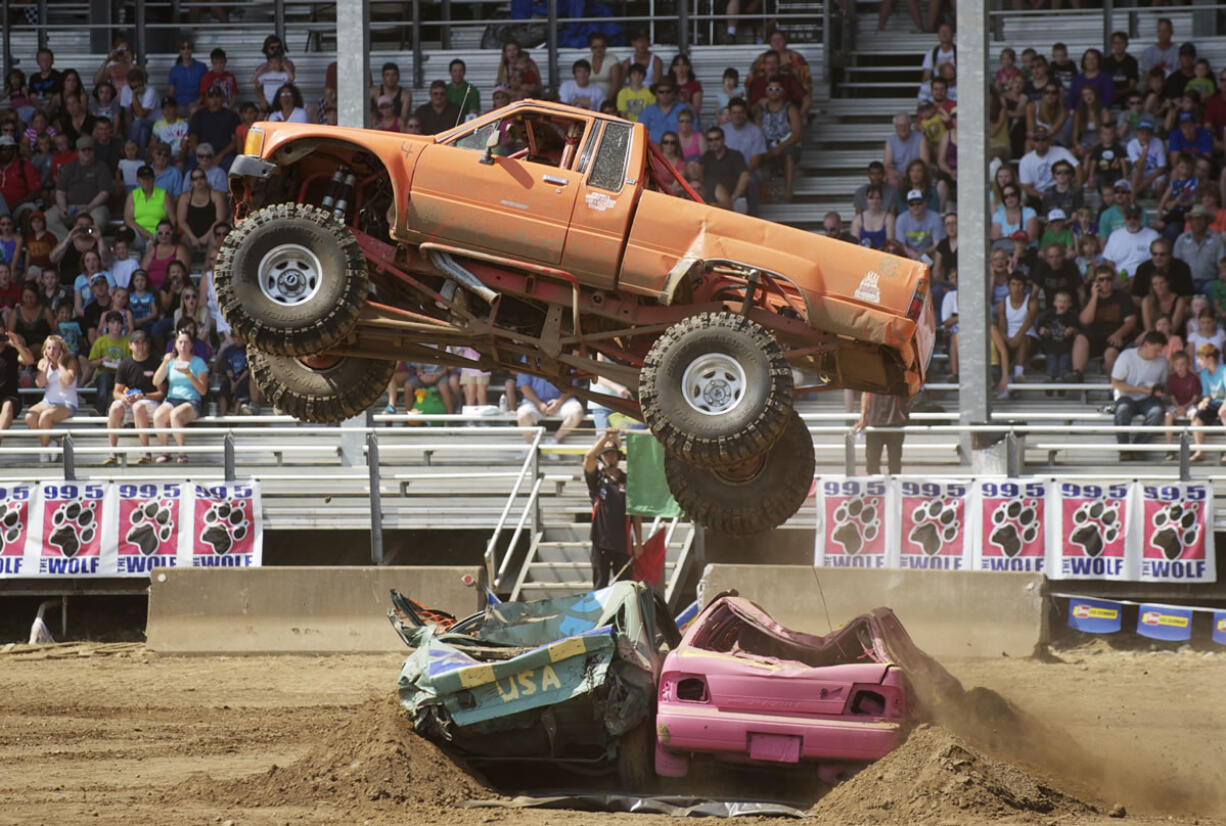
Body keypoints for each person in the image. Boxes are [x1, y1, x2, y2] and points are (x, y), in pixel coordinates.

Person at [583, 429, 641, 590]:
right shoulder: (596, 479)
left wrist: (639, 542)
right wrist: (605, 438)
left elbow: (635, 513)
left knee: (624, 587)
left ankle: (622, 616)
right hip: (600, 541)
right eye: (606, 454)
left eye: (612, 454)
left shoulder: (628, 480)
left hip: (623, 542)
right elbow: (588, 457)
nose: (609, 457)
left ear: (618, 456)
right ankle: (600, 616)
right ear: (601, 457)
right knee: (600, 585)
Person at [1110, 329, 1169, 460]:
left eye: (1160, 350)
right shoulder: (1126, 356)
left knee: (1157, 412)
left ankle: (1138, 447)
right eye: (1156, 350)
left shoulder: (1162, 361)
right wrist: (1140, 390)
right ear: (1146, 344)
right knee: (1122, 410)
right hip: (1126, 396)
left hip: (1149, 398)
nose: (1158, 354)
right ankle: (1124, 449)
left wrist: (1158, 391)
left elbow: (1163, 383)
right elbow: (1115, 383)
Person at [152, 329, 207, 463]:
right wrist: (165, 363)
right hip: (172, 399)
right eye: (180, 342)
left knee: (175, 415)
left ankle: (182, 453)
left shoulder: (199, 363)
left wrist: (188, 373)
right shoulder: (171, 362)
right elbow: (156, 381)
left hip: (191, 400)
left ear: (191, 345)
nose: (183, 346)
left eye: (186, 343)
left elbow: (203, 390)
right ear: (175, 345)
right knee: (158, 415)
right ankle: (165, 452)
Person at [25, 334, 78, 461]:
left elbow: (67, 382)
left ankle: (44, 449)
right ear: (45, 350)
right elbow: (40, 384)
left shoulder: (70, 361)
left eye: (55, 348)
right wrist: (46, 367)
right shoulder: (43, 363)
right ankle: (49, 443)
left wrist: (59, 364)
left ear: (61, 350)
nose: (51, 351)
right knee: (30, 416)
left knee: (45, 416)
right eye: (49, 348)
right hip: (47, 402)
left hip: (67, 403)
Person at [1081, 264, 1139, 377]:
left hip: (1114, 337)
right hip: (1095, 337)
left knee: (1110, 353)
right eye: (1101, 280)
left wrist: (1119, 334)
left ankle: (1113, 387)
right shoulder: (1089, 299)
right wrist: (1094, 297)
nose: (1105, 282)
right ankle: (1077, 375)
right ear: (1095, 282)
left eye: (1108, 279)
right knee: (1080, 339)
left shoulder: (1123, 297)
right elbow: (1085, 321)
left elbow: (1131, 321)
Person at [755, 75, 803, 202]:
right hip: (766, 145)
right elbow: (757, 130)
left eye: (777, 89)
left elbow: (797, 134)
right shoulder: (761, 110)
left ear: (782, 92)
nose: (773, 92)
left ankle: (788, 191)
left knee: (789, 153)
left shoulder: (790, 109)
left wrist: (779, 147)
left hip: (786, 144)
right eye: (770, 89)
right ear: (766, 91)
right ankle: (765, 194)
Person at [516, 372, 584, 450]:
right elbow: (524, 386)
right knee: (523, 415)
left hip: (562, 400)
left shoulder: (566, 359)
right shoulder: (528, 359)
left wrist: (559, 402)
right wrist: (540, 404)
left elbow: (571, 386)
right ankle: (529, 445)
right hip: (534, 401)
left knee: (576, 412)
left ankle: (553, 441)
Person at [688, 127, 749, 211]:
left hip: (735, 199)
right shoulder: (707, 156)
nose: (714, 142)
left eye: (717, 139)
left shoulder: (735, 155)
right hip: (713, 201)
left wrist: (734, 197)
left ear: (723, 139)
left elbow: (745, 176)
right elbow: (698, 176)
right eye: (710, 140)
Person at [1174, 204, 1225, 293]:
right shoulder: (1181, 239)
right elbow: (1176, 263)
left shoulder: (1217, 239)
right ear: (1190, 221)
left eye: (1201, 218)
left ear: (1207, 221)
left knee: (1211, 288)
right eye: (1194, 219)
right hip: (1188, 282)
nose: (1197, 222)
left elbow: (1222, 264)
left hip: (1211, 281)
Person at [1019, 126, 1078, 202]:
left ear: (1049, 140)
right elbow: (1026, 187)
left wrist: (1077, 189)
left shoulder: (1061, 151)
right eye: (1036, 139)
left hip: (1063, 193)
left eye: (1044, 139)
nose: (1040, 142)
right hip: (1038, 198)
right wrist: (1042, 196)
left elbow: (1077, 167)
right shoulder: (1025, 160)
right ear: (1032, 142)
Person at [176, 166, 226, 254]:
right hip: (190, 233)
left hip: (211, 232)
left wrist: (206, 237)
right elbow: (181, 221)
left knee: (216, 241)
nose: (198, 181)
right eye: (195, 179)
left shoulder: (216, 195)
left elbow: (220, 219)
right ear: (191, 182)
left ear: (206, 179)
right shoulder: (185, 197)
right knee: (183, 243)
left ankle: (209, 266)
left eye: (201, 177)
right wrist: (192, 237)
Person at [855, 392, 907, 475]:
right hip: (875, 422)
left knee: (894, 465)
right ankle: (874, 486)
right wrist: (863, 416)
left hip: (895, 422)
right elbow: (865, 392)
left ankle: (894, 486)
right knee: (872, 464)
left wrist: (903, 412)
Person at [187, 88, 241, 170]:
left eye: (218, 97)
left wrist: (220, 156)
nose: (215, 100)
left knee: (233, 169)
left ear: (223, 99)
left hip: (224, 155)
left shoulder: (232, 116)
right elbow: (192, 138)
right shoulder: (199, 115)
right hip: (202, 153)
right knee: (189, 168)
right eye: (211, 97)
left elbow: (234, 141)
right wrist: (202, 155)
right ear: (206, 99)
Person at [1102, 204, 1160, 278]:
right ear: (1124, 218)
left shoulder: (1153, 235)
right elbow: (1108, 261)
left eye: (1135, 217)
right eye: (1128, 217)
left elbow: (1156, 262)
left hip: (1143, 277)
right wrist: (1116, 277)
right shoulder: (1114, 235)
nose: (1132, 221)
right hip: (1118, 278)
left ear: (1141, 218)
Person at [123, 165, 172, 250]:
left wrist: (163, 233)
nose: (146, 181)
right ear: (138, 180)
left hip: (158, 233)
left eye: (148, 178)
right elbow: (128, 220)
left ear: (153, 179)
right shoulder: (133, 195)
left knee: (153, 243)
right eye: (143, 178)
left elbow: (172, 218)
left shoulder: (164, 194)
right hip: (138, 233)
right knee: (123, 232)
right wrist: (146, 233)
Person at [87, 310, 129, 410]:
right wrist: (102, 360)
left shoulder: (127, 341)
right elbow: (90, 364)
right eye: (112, 323)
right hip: (104, 374)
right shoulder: (100, 341)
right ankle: (99, 410)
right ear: (106, 325)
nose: (116, 326)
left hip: (122, 376)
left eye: (119, 323)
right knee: (104, 378)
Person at [0, 321, 33, 439]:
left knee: (8, 405)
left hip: (11, 400)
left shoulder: (13, 352)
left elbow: (29, 361)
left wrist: (17, 345)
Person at [896, 188, 944, 261]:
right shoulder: (901, 219)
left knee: (939, 254)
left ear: (925, 203)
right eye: (911, 204)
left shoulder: (935, 217)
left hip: (930, 254)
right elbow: (901, 245)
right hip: (908, 255)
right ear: (907, 205)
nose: (915, 206)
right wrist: (912, 254)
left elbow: (937, 244)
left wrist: (923, 253)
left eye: (919, 203)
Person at [884, 112, 929, 190]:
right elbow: (886, 165)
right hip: (899, 176)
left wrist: (913, 174)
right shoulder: (891, 140)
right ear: (895, 127)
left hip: (916, 174)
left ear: (910, 125)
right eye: (900, 126)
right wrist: (897, 174)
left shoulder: (920, 138)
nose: (903, 128)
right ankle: (896, 202)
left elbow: (925, 162)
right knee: (891, 179)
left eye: (906, 125)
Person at [638, 77, 690, 144]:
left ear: (674, 93)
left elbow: (693, 133)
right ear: (656, 94)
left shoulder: (684, 109)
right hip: (653, 150)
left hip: (679, 149)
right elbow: (639, 133)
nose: (665, 94)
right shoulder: (647, 111)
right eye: (661, 92)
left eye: (668, 91)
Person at [850, 186, 894, 251]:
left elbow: (890, 242)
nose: (874, 201)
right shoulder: (858, 219)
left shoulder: (889, 218)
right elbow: (854, 244)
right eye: (871, 198)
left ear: (882, 199)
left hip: (883, 254)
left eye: (877, 198)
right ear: (866, 199)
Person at [370, 62, 412, 126]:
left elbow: (404, 118)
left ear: (398, 77)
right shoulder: (374, 91)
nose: (391, 78)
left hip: (396, 128)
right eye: (387, 75)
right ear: (383, 77)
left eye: (394, 74)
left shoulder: (405, 94)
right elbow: (364, 110)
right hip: (376, 128)